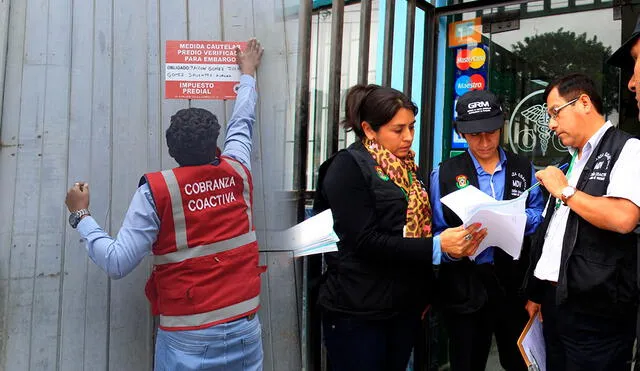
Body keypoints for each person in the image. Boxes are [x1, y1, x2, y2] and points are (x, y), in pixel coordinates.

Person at [65, 39, 265, 371]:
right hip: (246, 329)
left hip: (190, 339)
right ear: (215, 142)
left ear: (172, 152)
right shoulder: (237, 170)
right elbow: (242, 124)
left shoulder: (158, 191)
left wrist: (80, 214)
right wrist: (247, 73)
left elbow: (117, 262)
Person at [313, 84, 488, 371]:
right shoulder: (347, 167)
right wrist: (436, 246)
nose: (408, 137)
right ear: (369, 130)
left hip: (403, 306)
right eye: (398, 130)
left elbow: (413, 231)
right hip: (359, 309)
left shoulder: (407, 168)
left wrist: (428, 284)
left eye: (412, 127)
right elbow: (364, 241)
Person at [524, 73, 640, 371]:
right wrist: (538, 292)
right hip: (555, 302)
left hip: (596, 309)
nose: (550, 124)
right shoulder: (571, 159)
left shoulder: (627, 149)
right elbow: (555, 234)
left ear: (584, 102)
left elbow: (623, 217)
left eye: (555, 112)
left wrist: (565, 190)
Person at [429, 90, 544, 371]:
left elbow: (539, 213)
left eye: (491, 133)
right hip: (465, 287)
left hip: (513, 286)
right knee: (466, 362)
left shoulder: (522, 167)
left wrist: (514, 219)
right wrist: (454, 248)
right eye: (474, 135)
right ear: (462, 133)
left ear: (501, 126)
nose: (484, 142)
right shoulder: (443, 173)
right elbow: (434, 232)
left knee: (520, 362)